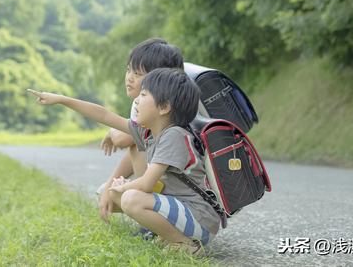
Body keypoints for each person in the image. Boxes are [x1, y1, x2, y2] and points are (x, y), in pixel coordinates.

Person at [28, 68, 220, 254]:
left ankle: (184, 244)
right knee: (107, 192)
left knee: (130, 198)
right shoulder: (148, 131)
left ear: (164, 107)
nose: (136, 100)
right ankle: (168, 234)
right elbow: (103, 115)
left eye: (143, 95)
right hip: (182, 211)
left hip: (200, 219)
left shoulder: (174, 136)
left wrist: (123, 187)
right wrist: (62, 100)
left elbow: (146, 184)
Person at [90, 38, 185, 223]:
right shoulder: (145, 104)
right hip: (169, 185)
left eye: (138, 73)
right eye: (128, 70)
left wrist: (112, 132)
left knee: (116, 192)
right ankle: (155, 222)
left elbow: (124, 141)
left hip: (181, 192)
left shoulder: (163, 110)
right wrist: (111, 185)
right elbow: (136, 142)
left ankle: (158, 224)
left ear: (159, 78)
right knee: (105, 192)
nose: (129, 78)